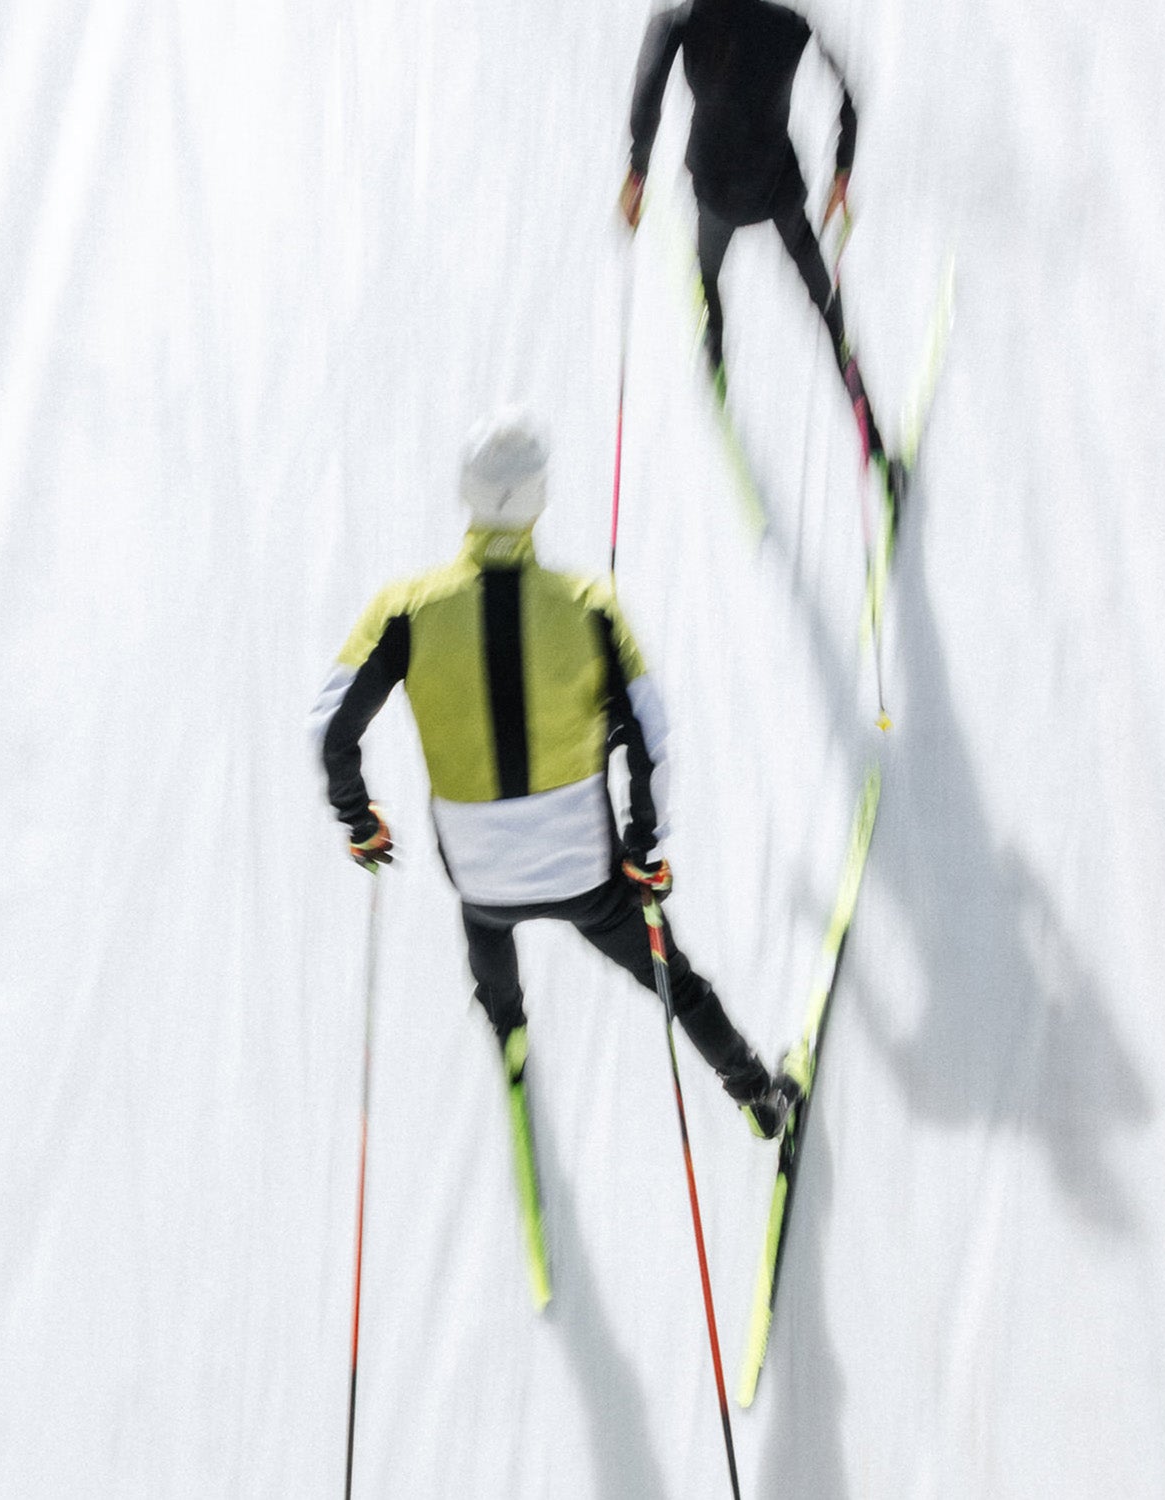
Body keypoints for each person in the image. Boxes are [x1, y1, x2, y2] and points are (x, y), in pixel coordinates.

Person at [310, 409, 801, 1139]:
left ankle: (507, 1028)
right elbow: (652, 740)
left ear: (465, 493)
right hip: (588, 875)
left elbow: (330, 731)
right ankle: (757, 1095)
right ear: (541, 496)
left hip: (478, 871)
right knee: (674, 979)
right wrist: (644, 849)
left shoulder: (404, 610)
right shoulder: (591, 606)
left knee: (486, 921)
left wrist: (360, 822)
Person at [621, 0, 903, 506]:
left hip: (715, 194)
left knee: (708, 274)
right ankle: (877, 449)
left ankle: (714, 350)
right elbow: (849, 98)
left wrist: (637, 171)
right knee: (829, 312)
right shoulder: (789, 24)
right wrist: (842, 171)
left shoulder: (681, 21)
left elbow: (648, 97)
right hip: (778, 191)